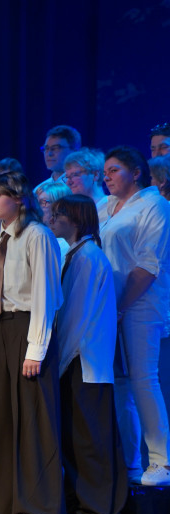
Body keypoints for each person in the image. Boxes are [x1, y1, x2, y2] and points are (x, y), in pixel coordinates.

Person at [0, 171, 64, 514]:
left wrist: (36, 349)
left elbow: (45, 295)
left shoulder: (37, 236)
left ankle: (35, 507)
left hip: (25, 330)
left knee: (31, 421)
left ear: (20, 198)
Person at [49, 195, 127, 514]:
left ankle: (97, 511)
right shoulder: (77, 254)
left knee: (89, 440)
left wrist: (57, 363)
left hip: (84, 363)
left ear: (76, 218)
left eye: (59, 214)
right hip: (79, 362)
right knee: (79, 438)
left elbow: (74, 319)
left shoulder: (87, 259)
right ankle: (84, 506)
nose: (52, 219)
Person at [97, 145, 170, 486]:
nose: (106, 176)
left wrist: (122, 305)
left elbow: (148, 265)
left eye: (113, 170)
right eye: (105, 171)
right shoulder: (106, 206)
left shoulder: (154, 205)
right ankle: (129, 463)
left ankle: (161, 460)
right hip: (109, 305)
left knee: (143, 378)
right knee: (120, 385)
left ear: (136, 173)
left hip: (140, 303)